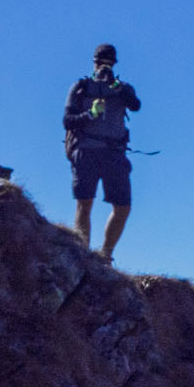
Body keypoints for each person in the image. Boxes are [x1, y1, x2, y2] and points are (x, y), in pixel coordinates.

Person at [63, 43, 142, 261]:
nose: (104, 68)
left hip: (114, 152)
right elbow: (67, 121)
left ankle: (106, 255)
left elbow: (136, 105)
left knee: (123, 207)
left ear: (115, 65)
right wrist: (89, 114)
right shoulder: (81, 87)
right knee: (84, 203)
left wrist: (118, 89)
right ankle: (83, 255)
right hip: (86, 150)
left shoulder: (123, 89)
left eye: (109, 64)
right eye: (101, 63)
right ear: (94, 63)